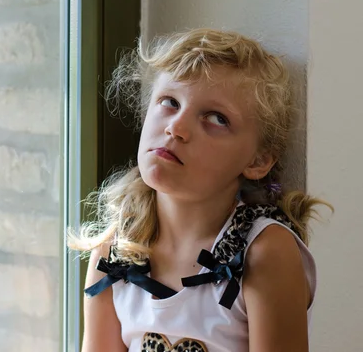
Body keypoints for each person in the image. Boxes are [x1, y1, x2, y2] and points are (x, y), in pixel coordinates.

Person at [67, 28, 332, 352]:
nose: (176, 127)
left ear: (258, 160)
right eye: (169, 102)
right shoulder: (113, 255)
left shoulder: (264, 253)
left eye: (216, 119)